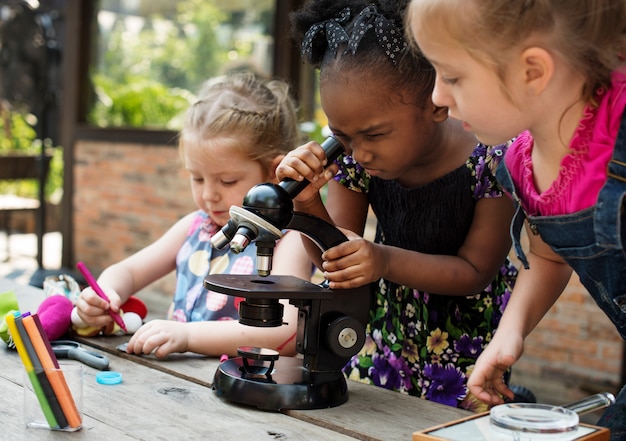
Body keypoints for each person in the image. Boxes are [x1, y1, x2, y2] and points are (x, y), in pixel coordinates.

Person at [276, 0, 518, 411]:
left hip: (464, 346)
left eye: (374, 134)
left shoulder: (492, 160)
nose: (359, 152)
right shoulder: (354, 158)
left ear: (437, 103)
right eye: (343, 136)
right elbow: (335, 259)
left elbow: (475, 272)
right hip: (381, 332)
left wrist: (382, 261)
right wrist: (307, 204)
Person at [408, 0, 626, 437]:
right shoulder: (519, 164)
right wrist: (510, 334)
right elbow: (549, 256)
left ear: (533, 71)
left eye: (452, 76)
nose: (436, 96)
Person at [75, 72, 312, 358]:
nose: (209, 194)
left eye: (227, 181)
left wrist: (187, 336)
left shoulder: (289, 240)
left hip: (247, 388)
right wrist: (105, 294)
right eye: (197, 178)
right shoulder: (196, 226)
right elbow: (128, 271)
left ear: (274, 174)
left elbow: (284, 332)